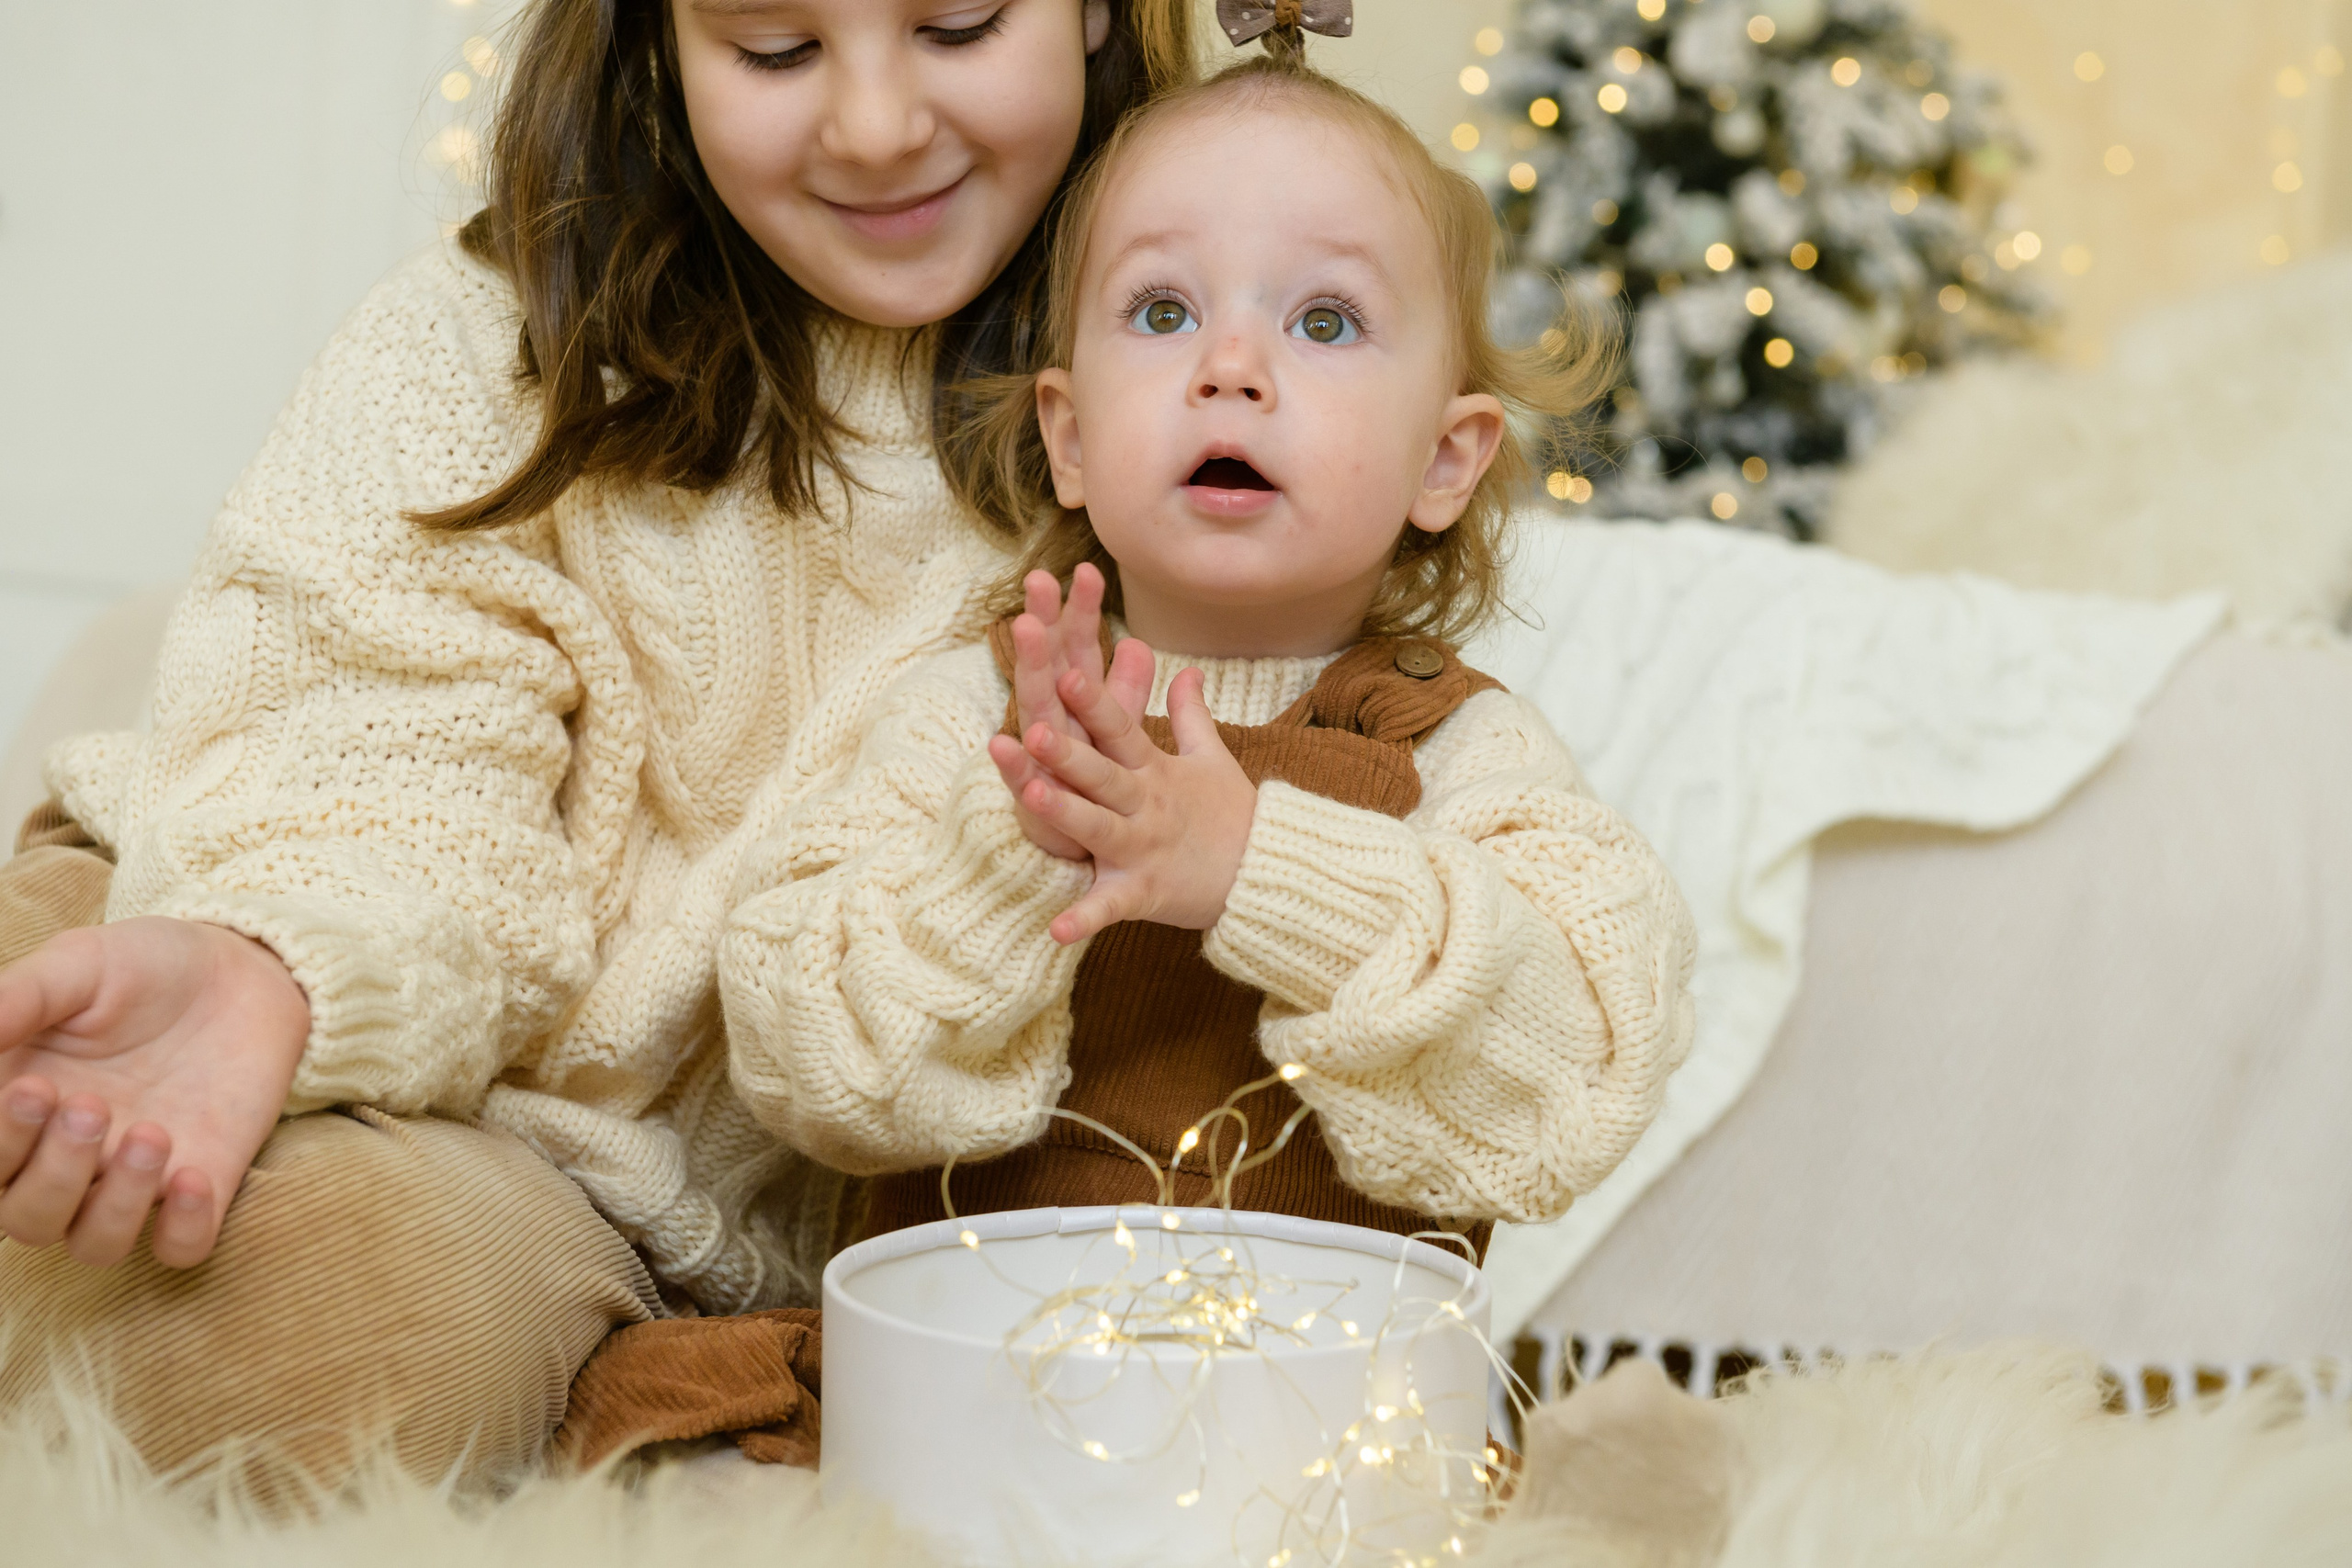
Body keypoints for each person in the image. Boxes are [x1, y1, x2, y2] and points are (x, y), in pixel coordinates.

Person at [0, 0, 1193, 1494]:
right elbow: (372, 741)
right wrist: (273, 964)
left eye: (957, 24)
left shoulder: (1199, 403)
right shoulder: (486, 339)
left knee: (339, 1315)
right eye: (775, 50)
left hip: (570, 1188)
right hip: (262, 900)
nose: (877, 125)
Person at [719, 40, 1698, 1262]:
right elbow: (801, 1068)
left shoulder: (1464, 753)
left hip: (1330, 1419)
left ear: (1447, 460)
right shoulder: (973, 710)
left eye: (1325, 321)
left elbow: (1575, 1086)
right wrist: (1011, 859)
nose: (1230, 370)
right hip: (983, 1397)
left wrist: (1259, 868)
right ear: (1068, 438)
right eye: (1164, 311)